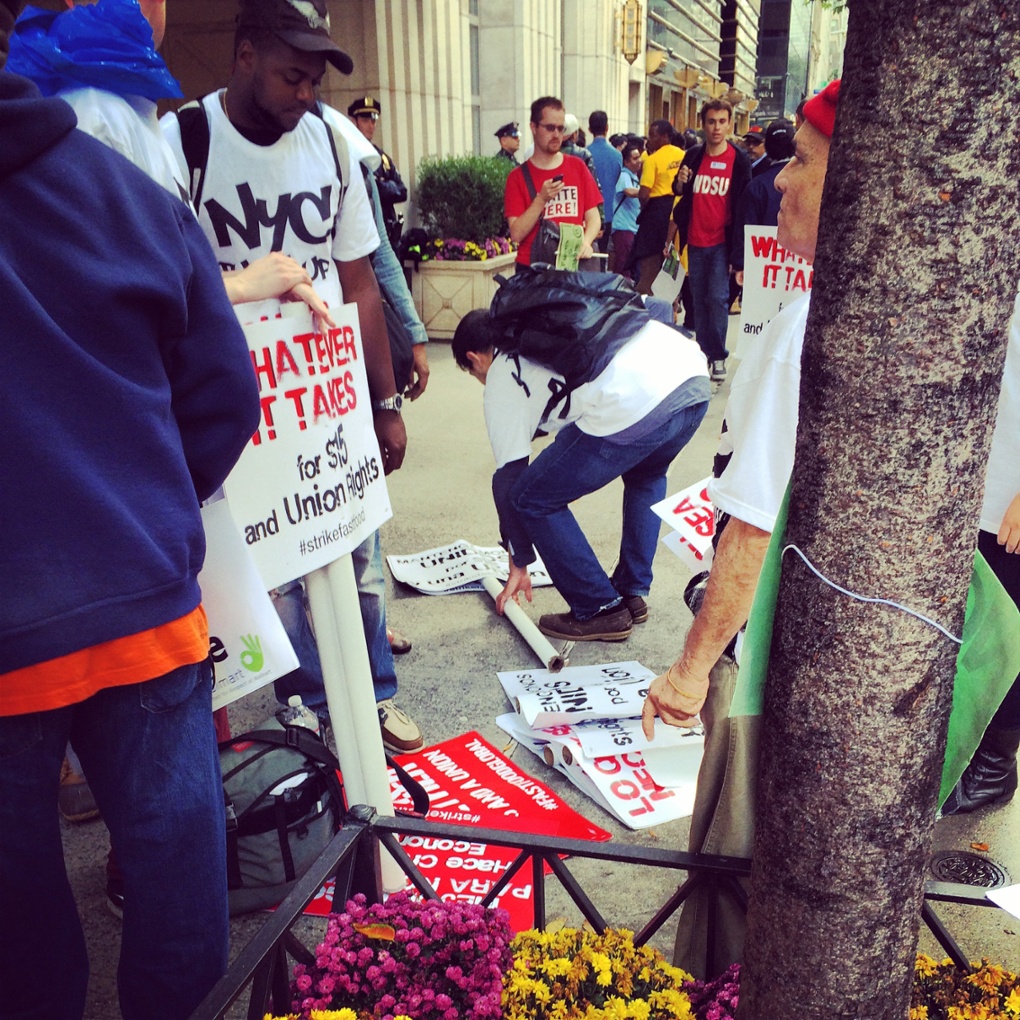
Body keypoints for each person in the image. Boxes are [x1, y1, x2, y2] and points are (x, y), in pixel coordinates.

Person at [0, 6, 261, 1019]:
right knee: (177, 876)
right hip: (145, 608)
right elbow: (223, 394)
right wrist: (146, 503)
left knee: (19, 915)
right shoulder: (129, 194)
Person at [161, 0, 423, 754]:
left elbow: (361, 281)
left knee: (359, 553)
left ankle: (369, 695)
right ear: (245, 57)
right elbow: (160, 283)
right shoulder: (184, 142)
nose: (307, 95)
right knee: (276, 566)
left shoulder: (332, 147)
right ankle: (305, 702)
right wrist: (241, 283)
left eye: (315, 81)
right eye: (292, 77)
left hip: (326, 386)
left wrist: (383, 403)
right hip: (235, 395)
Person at [641, 80, 840, 978]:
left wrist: (688, 672)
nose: (782, 183)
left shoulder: (811, 324)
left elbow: (754, 526)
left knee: (735, 855)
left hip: (777, 663)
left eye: (802, 161)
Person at [451, 302, 710, 643]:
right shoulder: (543, 323)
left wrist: (519, 561)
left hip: (635, 401)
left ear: (474, 358)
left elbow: (510, 479)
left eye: (473, 374)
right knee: (645, 474)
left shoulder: (502, 370)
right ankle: (631, 592)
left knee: (532, 497)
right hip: (690, 377)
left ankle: (599, 607)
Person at [942, 298, 1020, 814]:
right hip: (976, 480)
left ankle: (995, 762)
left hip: (1009, 498)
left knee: (1010, 630)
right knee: (978, 628)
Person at [672, 99, 752, 383]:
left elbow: (744, 207)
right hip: (694, 238)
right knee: (699, 298)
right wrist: (681, 181)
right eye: (711, 121)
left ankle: (717, 355)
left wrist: (739, 255)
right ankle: (705, 352)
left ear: (729, 124)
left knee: (718, 299)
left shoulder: (740, 160)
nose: (716, 128)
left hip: (721, 241)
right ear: (703, 123)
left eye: (721, 121)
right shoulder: (693, 155)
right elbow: (678, 190)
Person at [504, 95, 602, 270]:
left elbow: (593, 217)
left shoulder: (577, 166)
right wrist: (541, 199)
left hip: (573, 266)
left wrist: (586, 242)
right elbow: (516, 234)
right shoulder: (517, 177)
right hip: (534, 270)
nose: (557, 135)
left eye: (560, 128)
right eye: (550, 128)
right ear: (533, 127)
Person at [729, 119, 795, 286]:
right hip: (798, 269)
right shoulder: (811, 183)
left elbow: (745, 226)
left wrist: (740, 264)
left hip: (762, 271)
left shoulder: (757, 186)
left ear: (768, 147)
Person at [630, 118, 684, 294]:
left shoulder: (652, 160)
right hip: (678, 212)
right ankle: (672, 305)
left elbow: (644, 194)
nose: (649, 140)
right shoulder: (683, 155)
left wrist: (645, 207)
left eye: (653, 136)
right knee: (672, 265)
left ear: (665, 136)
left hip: (656, 214)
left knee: (649, 264)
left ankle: (647, 300)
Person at [347, 93, 407, 247]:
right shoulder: (347, 154)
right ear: (353, 122)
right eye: (365, 120)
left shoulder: (381, 158)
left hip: (386, 233)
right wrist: (383, 185)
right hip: (361, 234)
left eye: (373, 121)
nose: (371, 126)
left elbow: (402, 191)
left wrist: (378, 185)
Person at [588, 110, 622, 255]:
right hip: (609, 212)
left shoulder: (584, 154)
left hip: (589, 214)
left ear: (590, 129)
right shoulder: (617, 155)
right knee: (603, 254)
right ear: (607, 127)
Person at [608, 142, 642, 278]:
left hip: (631, 227)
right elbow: (628, 191)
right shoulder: (624, 175)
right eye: (635, 158)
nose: (639, 161)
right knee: (624, 264)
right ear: (626, 162)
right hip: (623, 228)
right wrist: (646, 191)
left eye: (639, 157)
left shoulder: (633, 177)